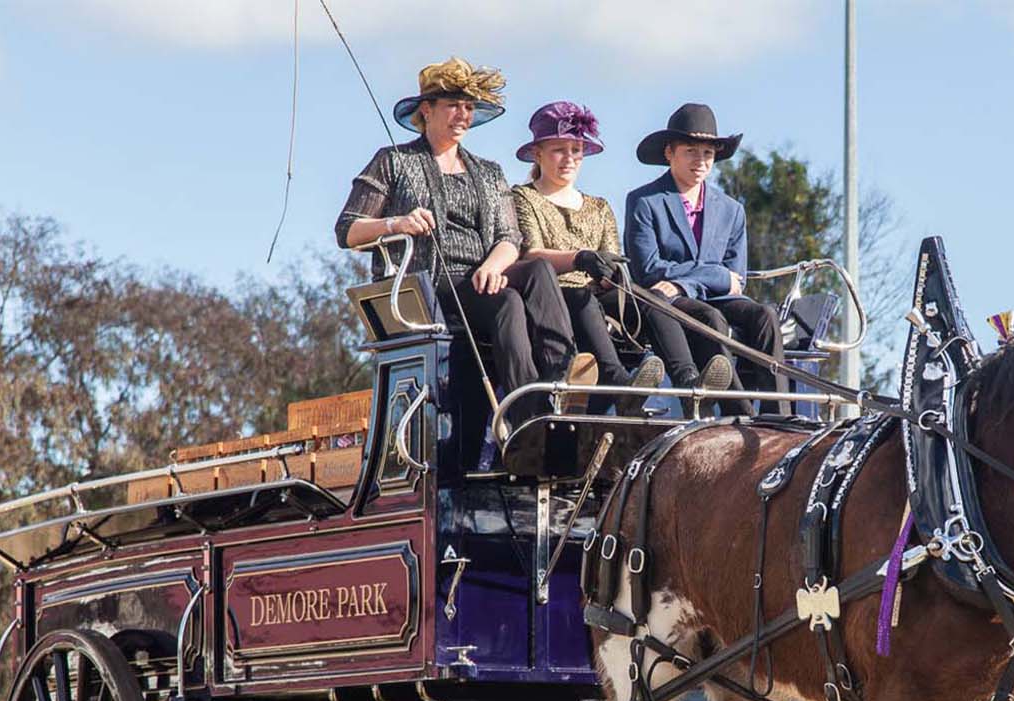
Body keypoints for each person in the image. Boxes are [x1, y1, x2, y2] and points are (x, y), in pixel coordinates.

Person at [334, 57, 594, 458]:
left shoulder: (488, 172)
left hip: (484, 276)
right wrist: (397, 223)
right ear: (427, 110)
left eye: (469, 107)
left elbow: (510, 237)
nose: (463, 115)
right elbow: (347, 230)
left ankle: (560, 376)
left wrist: (493, 264)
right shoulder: (395, 162)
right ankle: (528, 414)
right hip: (432, 283)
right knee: (507, 301)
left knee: (539, 268)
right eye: (454, 104)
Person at [624, 103, 786, 416]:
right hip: (669, 304)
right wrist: (711, 277)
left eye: (708, 154)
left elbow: (735, 279)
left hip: (706, 295)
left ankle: (776, 412)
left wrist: (685, 283)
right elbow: (647, 269)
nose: (700, 161)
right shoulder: (644, 201)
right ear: (669, 152)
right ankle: (738, 409)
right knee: (709, 318)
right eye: (691, 151)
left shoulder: (731, 210)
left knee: (765, 314)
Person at [510, 101, 666, 417]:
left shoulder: (599, 206)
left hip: (598, 295)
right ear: (538, 153)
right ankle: (617, 380)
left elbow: (610, 260)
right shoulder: (522, 197)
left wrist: (611, 272)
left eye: (576, 150)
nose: (569, 159)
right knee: (582, 297)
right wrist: (580, 259)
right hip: (551, 296)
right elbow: (530, 253)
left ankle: (689, 382)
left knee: (654, 301)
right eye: (559, 150)